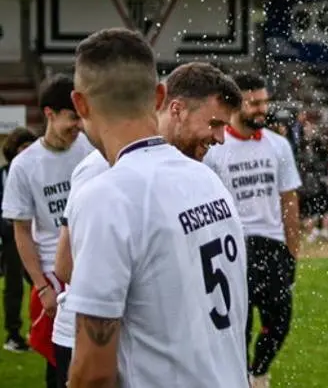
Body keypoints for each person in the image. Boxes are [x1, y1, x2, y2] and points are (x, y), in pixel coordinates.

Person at [64, 28, 249, 388]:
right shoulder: (207, 179)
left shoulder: (107, 195)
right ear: (160, 95)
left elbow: (93, 374)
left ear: (80, 105)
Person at [202, 71, 302, 388]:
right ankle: (240, 376)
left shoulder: (279, 145)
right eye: (254, 103)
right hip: (234, 246)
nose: (261, 109)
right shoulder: (216, 148)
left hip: (271, 246)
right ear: (236, 105)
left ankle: (258, 372)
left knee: (280, 321)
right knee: (237, 325)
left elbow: (288, 200)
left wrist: (293, 252)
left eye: (264, 102)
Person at [1, 74, 94, 387]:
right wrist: (42, 287)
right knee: (59, 364)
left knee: (98, 356)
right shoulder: (25, 166)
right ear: (49, 114)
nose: (78, 126)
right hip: (55, 276)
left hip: (93, 264)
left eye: (81, 118)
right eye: (72, 118)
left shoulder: (90, 149)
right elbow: (22, 232)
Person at [0, 126, 38, 353]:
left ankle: (40, 329)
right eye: (23, 147)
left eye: (30, 147)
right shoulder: (3, 174)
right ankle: (13, 334)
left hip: (37, 237)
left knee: (41, 284)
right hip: (11, 238)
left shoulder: (37, 173)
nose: (27, 152)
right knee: (13, 288)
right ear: (13, 150)